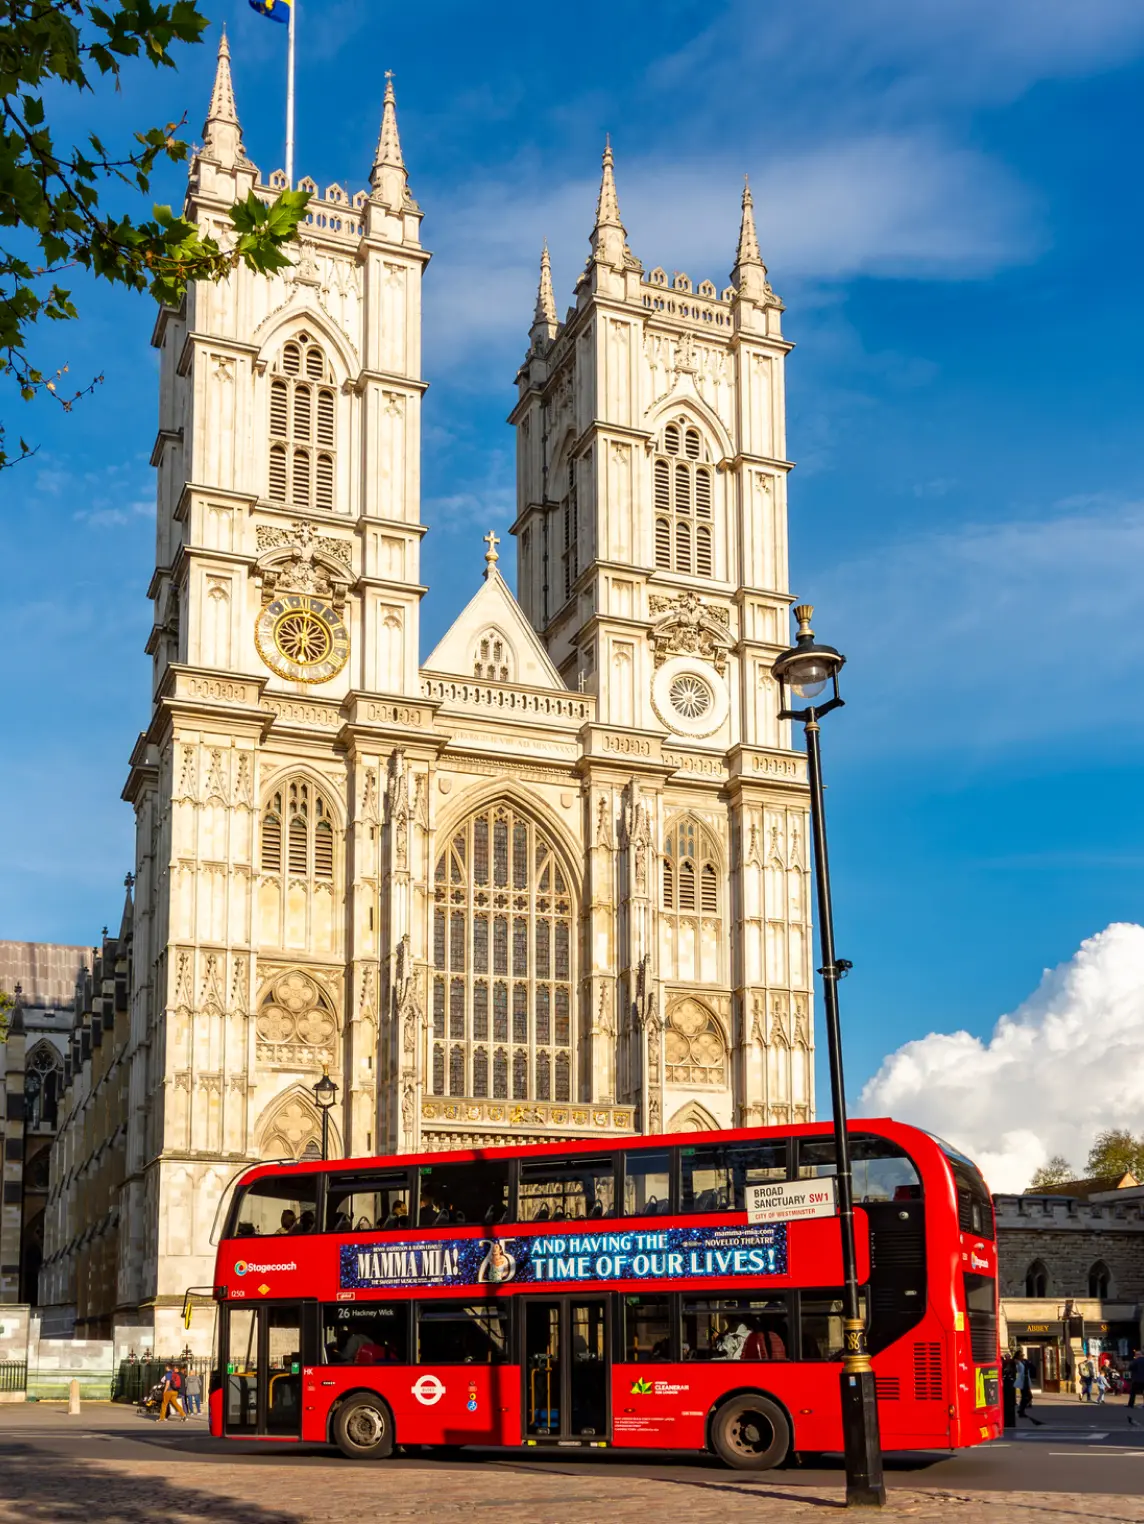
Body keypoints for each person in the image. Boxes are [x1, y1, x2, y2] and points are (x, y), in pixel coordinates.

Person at [1012, 1355, 1041, 1425]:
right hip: (1023, 1383)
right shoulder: (1019, 1364)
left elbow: (1029, 1370)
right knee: (1026, 1396)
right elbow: (1019, 1372)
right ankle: (1021, 1410)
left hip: (1025, 1382)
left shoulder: (1023, 1363)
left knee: (1026, 1397)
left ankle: (1021, 1410)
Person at [1126, 1348, 1144, 1423]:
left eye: (1136, 1354)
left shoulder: (1135, 1361)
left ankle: (1131, 1404)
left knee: (1133, 1392)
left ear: (1139, 1355)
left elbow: (1130, 1368)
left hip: (1137, 1379)